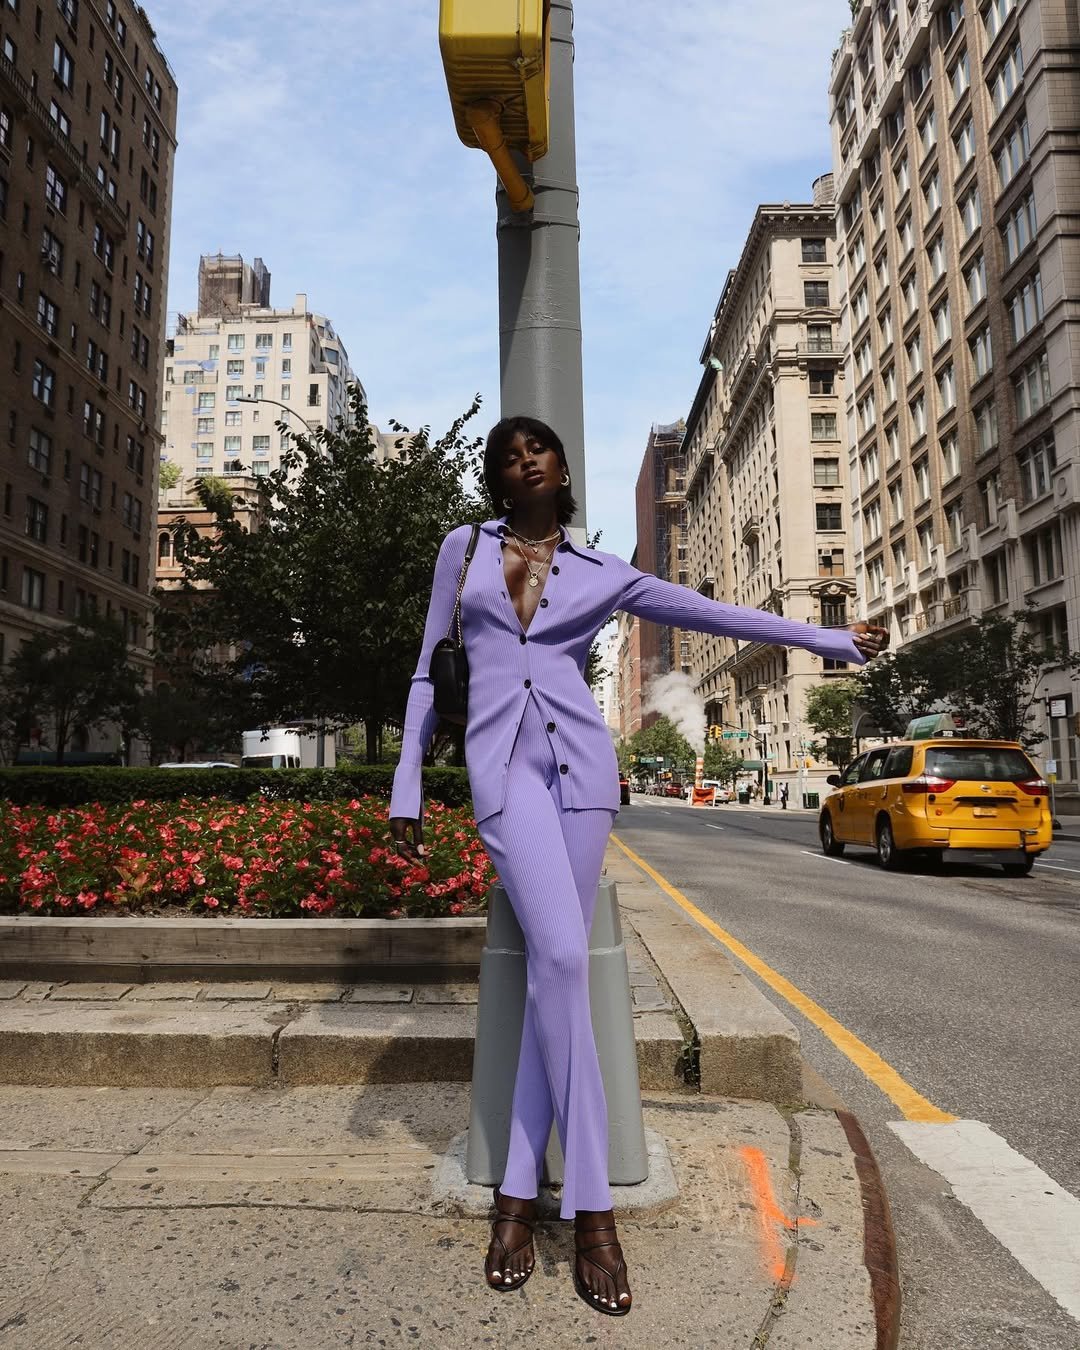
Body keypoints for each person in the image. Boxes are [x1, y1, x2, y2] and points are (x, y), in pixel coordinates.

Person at [388, 415, 888, 1317]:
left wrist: (832, 641)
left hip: (582, 776)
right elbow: (430, 670)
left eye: (535, 446)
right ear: (497, 479)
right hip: (502, 774)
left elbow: (711, 612)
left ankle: (513, 1197)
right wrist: (407, 788)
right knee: (567, 963)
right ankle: (591, 1212)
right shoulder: (461, 551)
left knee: (556, 970)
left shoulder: (602, 572)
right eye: (505, 453)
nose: (522, 458)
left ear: (562, 467)